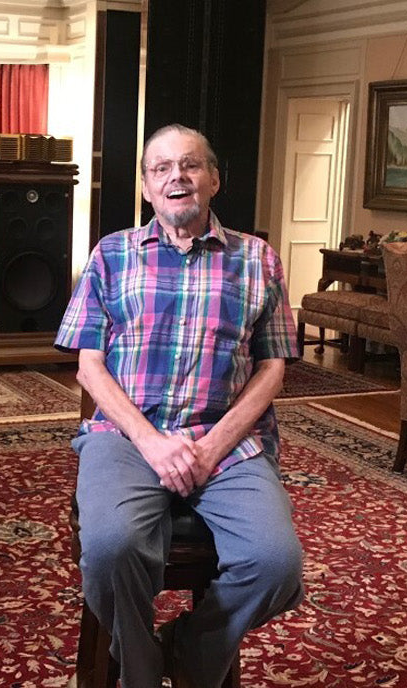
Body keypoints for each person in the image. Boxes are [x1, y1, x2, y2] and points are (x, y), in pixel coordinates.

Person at [55, 124, 304, 688]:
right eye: (161, 168)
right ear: (146, 186)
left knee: (276, 564)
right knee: (112, 547)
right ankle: (140, 673)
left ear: (213, 179)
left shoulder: (258, 259)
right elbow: (88, 366)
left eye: (189, 165)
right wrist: (150, 441)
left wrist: (213, 444)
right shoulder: (111, 255)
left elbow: (273, 369)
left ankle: (192, 651)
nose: (177, 178)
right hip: (126, 438)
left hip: (230, 443)